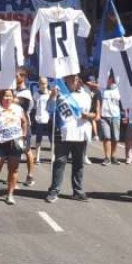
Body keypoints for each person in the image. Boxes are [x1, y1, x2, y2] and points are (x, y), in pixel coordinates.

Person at [45, 75, 95, 203]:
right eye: (71, 78)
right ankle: (54, 190)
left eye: (76, 78)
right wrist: (52, 96)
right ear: (65, 80)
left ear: (79, 80)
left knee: (78, 164)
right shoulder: (60, 93)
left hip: (80, 133)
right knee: (60, 162)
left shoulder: (86, 95)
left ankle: (77, 191)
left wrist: (88, 115)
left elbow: (95, 114)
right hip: (63, 133)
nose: (74, 80)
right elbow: (49, 109)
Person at [0, 89, 28, 205]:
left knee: (13, 169)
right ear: (1, 98)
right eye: (5, 96)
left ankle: (10, 195)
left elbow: (24, 122)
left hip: (15, 143)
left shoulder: (18, 108)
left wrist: (23, 135)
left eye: (10, 96)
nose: (8, 98)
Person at [14, 69, 36, 185]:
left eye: (16, 76)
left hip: (24, 125)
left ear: (23, 77)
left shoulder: (26, 93)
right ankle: (14, 177)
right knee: (15, 151)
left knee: (27, 150)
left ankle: (30, 176)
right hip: (14, 124)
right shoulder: (16, 90)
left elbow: (15, 102)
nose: (15, 78)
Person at [95, 75, 122, 165]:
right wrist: (98, 114)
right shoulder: (101, 90)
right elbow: (98, 103)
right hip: (104, 116)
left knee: (116, 138)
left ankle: (113, 156)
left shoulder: (119, 89)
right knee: (107, 137)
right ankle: (107, 157)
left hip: (116, 116)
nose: (111, 80)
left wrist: (125, 115)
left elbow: (124, 103)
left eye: (113, 78)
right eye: (110, 78)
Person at [31, 77, 52, 164]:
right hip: (39, 118)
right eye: (41, 83)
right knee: (39, 138)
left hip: (49, 118)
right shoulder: (36, 94)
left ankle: (53, 157)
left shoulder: (51, 93)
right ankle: (37, 157)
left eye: (45, 83)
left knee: (51, 138)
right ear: (39, 84)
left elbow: (53, 105)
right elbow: (34, 106)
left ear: (47, 84)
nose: (43, 85)